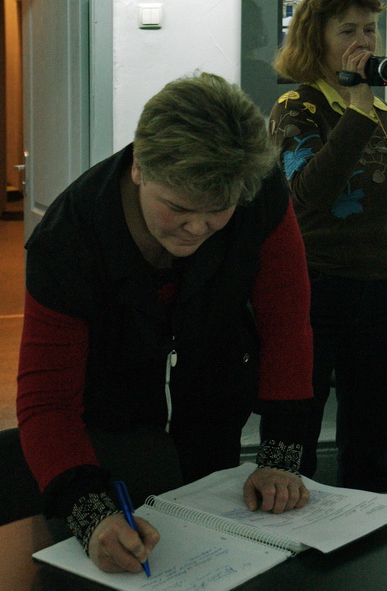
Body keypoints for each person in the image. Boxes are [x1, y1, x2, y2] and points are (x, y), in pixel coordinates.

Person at [17, 72, 314, 574]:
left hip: (214, 399)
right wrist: (92, 515)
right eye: (178, 207)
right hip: (106, 425)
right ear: (139, 167)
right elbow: (45, 402)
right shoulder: (66, 241)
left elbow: (286, 326)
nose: (197, 228)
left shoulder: (257, 191)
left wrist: (280, 458)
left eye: (217, 211)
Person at [270, 0, 387, 493]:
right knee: (298, 426)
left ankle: (365, 523)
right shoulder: (297, 106)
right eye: (348, 31)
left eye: (370, 29)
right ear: (316, 38)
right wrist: (357, 110)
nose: (363, 41)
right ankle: (290, 519)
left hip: (381, 291)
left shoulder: (381, 112)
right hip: (315, 289)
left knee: (370, 435)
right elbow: (309, 193)